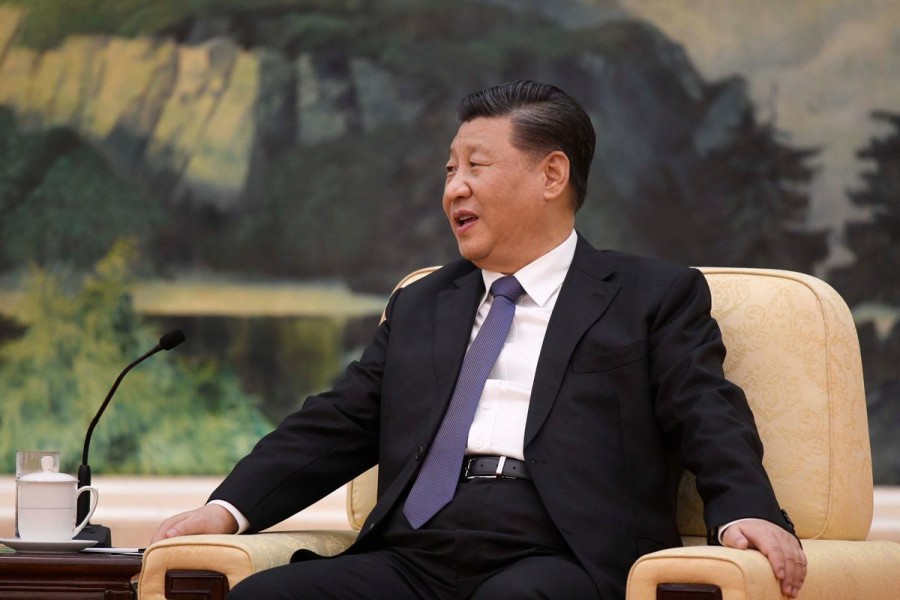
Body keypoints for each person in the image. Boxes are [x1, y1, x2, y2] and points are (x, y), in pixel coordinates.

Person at [151, 80, 806, 599]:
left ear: (552, 176)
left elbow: (706, 410)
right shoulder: (422, 304)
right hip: (416, 550)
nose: (453, 187)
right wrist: (228, 509)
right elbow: (337, 420)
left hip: (560, 552)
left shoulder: (649, 296)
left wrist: (745, 510)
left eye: (475, 166)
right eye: (449, 169)